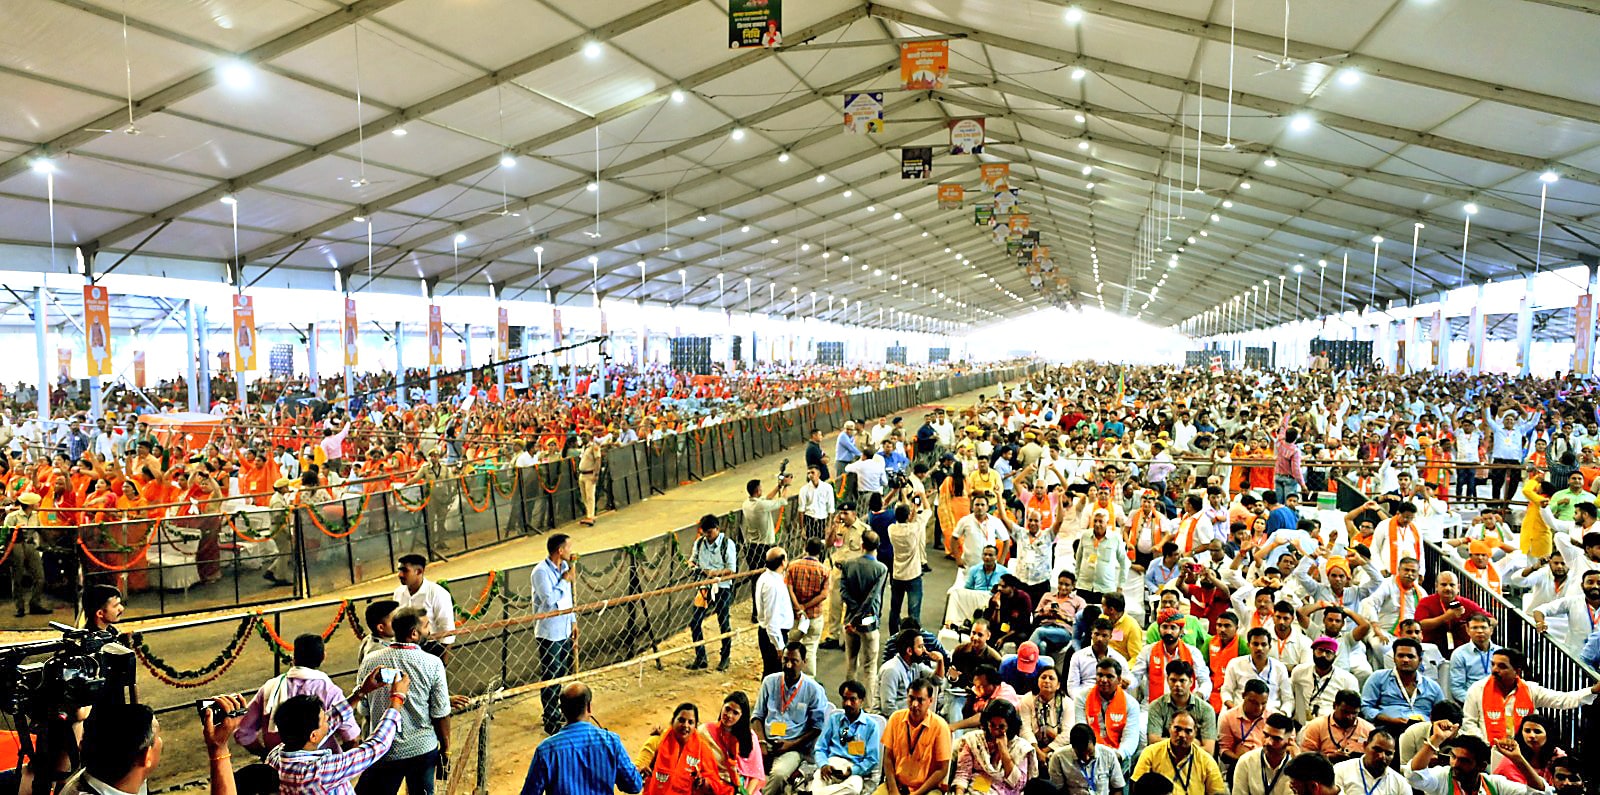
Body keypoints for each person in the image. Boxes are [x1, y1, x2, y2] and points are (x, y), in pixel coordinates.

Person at [354, 607, 452, 795]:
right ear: (414, 634)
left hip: (384, 749)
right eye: (426, 626)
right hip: (423, 749)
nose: (429, 630)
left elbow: (364, 709)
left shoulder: (370, 661)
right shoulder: (432, 663)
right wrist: (446, 750)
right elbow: (441, 714)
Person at [268, 670, 409, 795]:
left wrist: (361, 692)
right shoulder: (319, 773)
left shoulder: (275, 757)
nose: (328, 721)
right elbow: (376, 746)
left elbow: (333, 718)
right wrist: (397, 698)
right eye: (323, 720)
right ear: (313, 736)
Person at [235, 634, 360, 754]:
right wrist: (338, 764)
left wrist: (265, 755)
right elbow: (351, 738)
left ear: (293, 657)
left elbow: (243, 732)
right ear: (323, 657)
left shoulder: (270, 687)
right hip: (322, 769)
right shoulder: (329, 690)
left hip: (279, 769)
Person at [520, 683, 643, 795]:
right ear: (589, 707)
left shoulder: (546, 750)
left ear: (562, 710)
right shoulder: (611, 742)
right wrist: (636, 771)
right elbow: (634, 786)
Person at [1458, 647, 1599, 745]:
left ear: (1516, 671)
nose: (1495, 670)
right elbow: (1469, 722)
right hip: (1487, 752)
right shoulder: (1477, 689)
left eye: (1502, 666)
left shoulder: (1531, 690)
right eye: (1493, 664)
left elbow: (1562, 700)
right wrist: (1486, 745)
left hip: (1524, 752)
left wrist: (1593, 690)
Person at [1405, 724, 1549, 795]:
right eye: (1454, 757)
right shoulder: (1442, 777)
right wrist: (1435, 740)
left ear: (1481, 766)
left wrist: (1518, 759)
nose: (1455, 764)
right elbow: (1414, 776)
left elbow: (1540, 793)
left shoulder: (1495, 784)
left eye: (1465, 761)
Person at [533, 533, 577, 733]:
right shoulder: (540, 572)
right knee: (550, 675)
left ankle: (557, 712)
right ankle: (549, 718)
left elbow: (568, 598)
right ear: (560, 550)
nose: (571, 550)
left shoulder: (565, 567)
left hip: (565, 628)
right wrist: (564, 581)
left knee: (560, 673)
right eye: (568, 547)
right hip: (550, 632)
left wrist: (573, 620)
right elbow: (549, 600)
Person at [842, 530, 890, 710]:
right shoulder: (881, 569)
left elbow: (844, 592)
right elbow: (872, 598)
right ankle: (868, 707)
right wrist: (859, 618)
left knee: (851, 662)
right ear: (878, 547)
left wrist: (852, 618)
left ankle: (848, 701)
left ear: (862, 545)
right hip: (869, 622)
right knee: (870, 668)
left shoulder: (848, 565)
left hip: (849, 621)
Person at [880, 678, 951, 795]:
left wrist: (917, 794)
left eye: (920, 700)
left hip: (927, 789)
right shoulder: (895, 718)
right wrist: (893, 789)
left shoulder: (940, 726)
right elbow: (888, 758)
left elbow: (942, 770)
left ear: (930, 701)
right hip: (897, 785)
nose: (914, 704)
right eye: (911, 698)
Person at [951, 699, 1036, 795]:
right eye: (992, 725)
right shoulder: (973, 740)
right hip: (974, 791)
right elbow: (962, 775)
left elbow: (1018, 785)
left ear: (1010, 726)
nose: (995, 731)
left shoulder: (1021, 748)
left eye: (1001, 727)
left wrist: (1004, 751)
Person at [812, 680, 882, 795]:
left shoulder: (871, 726)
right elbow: (820, 748)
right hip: (831, 765)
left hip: (854, 769)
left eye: (853, 699)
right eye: (845, 699)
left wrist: (852, 771)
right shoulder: (834, 719)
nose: (847, 704)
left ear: (861, 701)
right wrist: (824, 764)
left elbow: (872, 759)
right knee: (818, 780)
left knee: (853, 789)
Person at [1131, 712, 1226, 795]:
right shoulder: (1151, 752)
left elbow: (1218, 793)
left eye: (1188, 731)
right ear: (1169, 728)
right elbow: (1138, 788)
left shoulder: (1207, 760)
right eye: (1177, 729)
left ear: (1195, 733)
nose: (1181, 735)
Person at [689, 513, 738, 672]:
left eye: (710, 532)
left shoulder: (726, 544)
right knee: (695, 621)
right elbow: (693, 559)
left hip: (722, 586)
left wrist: (713, 573)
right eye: (705, 532)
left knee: (723, 621)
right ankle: (701, 656)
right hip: (704, 586)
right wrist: (692, 565)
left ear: (717, 529)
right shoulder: (699, 543)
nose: (707, 536)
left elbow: (731, 569)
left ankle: (725, 657)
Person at [1360, 637, 1442, 730]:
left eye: (1411, 656)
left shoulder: (1433, 686)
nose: (1405, 660)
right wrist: (1390, 720)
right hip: (1388, 729)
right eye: (1401, 656)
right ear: (1394, 658)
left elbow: (1443, 713)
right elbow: (1366, 707)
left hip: (1424, 732)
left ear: (1420, 660)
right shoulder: (1378, 678)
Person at [1074, 658, 1143, 768]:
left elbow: (1131, 738)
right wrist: (1094, 753)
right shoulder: (1082, 698)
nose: (1103, 680)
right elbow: (1081, 730)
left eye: (1110, 676)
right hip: (1089, 752)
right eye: (1100, 675)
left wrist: (1117, 755)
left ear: (1119, 679)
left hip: (1118, 755)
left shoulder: (1131, 703)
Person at [1132, 611, 1212, 705]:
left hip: (1185, 708)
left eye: (1173, 627)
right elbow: (1135, 676)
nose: (1168, 631)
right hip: (1153, 706)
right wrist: (1127, 682)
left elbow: (1205, 681)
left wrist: (1199, 695)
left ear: (1181, 630)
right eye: (1165, 627)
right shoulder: (1148, 651)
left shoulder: (1193, 653)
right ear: (1159, 629)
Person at [634, 703, 713, 795]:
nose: (685, 725)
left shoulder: (702, 750)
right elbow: (638, 766)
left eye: (690, 722)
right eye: (681, 720)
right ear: (672, 721)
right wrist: (639, 770)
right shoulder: (656, 741)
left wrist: (702, 782)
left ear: (695, 727)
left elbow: (712, 782)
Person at [699, 692, 767, 795]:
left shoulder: (750, 737)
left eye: (735, 713)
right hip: (711, 786)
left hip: (742, 787)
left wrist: (746, 793)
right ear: (722, 707)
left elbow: (755, 775)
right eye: (727, 709)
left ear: (742, 716)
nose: (729, 715)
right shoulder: (705, 732)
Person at [1145, 661, 1218, 755]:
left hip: (1196, 761)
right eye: (1173, 680)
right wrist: (1193, 742)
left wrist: (1167, 741)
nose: (1177, 685)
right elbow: (1153, 743)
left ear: (1191, 682)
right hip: (1163, 757)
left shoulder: (1206, 710)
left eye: (1182, 681)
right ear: (1167, 680)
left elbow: (1208, 750)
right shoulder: (1156, 706)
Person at [743, 477, 789, 618]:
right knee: (771, 578)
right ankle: (766, 610)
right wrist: (786, 486)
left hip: (751, 546)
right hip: (764, 547)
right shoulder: (760, 506)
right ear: (757, 491)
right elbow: (782, 501)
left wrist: (778, 486)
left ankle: (756, 612)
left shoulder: (747, 503)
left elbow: (766, 499)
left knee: (756, 579)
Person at [391, 554, 456, 653]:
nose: (399, 574)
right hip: (403, 649)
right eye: (399, 570)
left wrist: (443, 664)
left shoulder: (437, 593)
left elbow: (447, 631)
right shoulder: (398, 593)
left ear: (419, 571)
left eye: (404, 570)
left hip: (430, 647)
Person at [1412, 571, 1491, 651]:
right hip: (1431, 649)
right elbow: (1420, 625)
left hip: (1462, 651)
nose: (1448, 588)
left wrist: (1471, 625)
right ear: (1436, 586)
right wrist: (1446, 617)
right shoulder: (1426, 602)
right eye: (1443, 585)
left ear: (1458, 588)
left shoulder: (1465, 603)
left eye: (1452, 585)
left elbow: (1492, 620)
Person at [1219, 629, 1290, 714]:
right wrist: (1234, 710)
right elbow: (1226, 691)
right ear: (1248, 645)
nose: (1259, 648)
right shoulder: (1235, 664)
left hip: (1270, 717)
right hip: (1240, 714)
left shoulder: (1280, 668)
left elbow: (1288, 699)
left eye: (1264, 644)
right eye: (1255, 644)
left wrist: (1281, 716)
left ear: (1270, 647)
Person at [1288, 637, 1357, 725]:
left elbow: (1351, 710)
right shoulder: (1299, 672)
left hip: (1331, 725)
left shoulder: (1347, 679)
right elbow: (1290, 697)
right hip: (1301, 722)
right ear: (1313, 652)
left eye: (1328, 652)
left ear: (1335, 657)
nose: (1323, 655)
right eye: (1320, 650)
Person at [786, 538, 830, 672]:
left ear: (805, 547)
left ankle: (790, 673)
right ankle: (809, 677)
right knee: (810, 648)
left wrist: (798, 606)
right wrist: (806, 606)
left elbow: (789, 588)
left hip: (795, 616)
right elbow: (823, 595)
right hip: (814, 616)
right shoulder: (824, 570)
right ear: (820, 551)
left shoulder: (792, 566)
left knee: (791, 646)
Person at [5, 491, 50, 616]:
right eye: (36, 502)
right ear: (30, 504)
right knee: (17, 577)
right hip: (16, 546)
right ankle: (19, 607)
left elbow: (40, 530)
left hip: (30, 545)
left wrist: (46, 544)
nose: (38, 504)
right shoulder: (12, 517)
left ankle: (35, 603)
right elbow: (6, 533)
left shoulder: (36, 515)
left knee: (40, 577)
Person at [1228, 714, 1297, 795]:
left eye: (1276, 739)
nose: (1268, 742)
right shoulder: (1246, 761)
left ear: (1289, 741)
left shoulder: (1297, 767)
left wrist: (1299, 762)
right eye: (1266, 735)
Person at [1217, 680, 1277, 771]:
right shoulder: (1228, 717)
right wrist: (1244, 762)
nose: (1259, 708)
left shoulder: (1274, 717)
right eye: (1254, 703)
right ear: (1243, 695)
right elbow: (1224, 751)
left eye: (1263, 703)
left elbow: (1288, 745)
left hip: (1268, 764)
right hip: (1239, 765)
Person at [1491, 714, 1566, 787]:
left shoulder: (1558, 756)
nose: (1532, 736)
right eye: (1527, 731)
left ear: (1548, 734)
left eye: (1537, 732)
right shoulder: (1512, 757)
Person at [879, 629, 942, 714]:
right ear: (909, 651)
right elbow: (887, 707)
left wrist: (940, 661)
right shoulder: (891, 670)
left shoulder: (915, 665)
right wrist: (908, 722)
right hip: (889, 720)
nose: (924, 650)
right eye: (920, 647)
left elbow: (937, 680)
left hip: (908, 715)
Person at [1296, 690, 1370, 762]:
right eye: (1345, 712)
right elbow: (1305, 757)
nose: (1349, 717)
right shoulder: (1316, 726)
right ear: (1334, 706)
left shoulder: (1368, 730)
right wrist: (1328, 757)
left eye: (1354, 713)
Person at [1019, 667, 1073, 766]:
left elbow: (1067, 734)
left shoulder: (1067, 703)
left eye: (1051, 678)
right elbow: (1024, 729)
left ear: (1058, 685)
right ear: (1038, 681)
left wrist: (1046, 751)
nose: (1047, 680)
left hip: (1057, 747)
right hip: (1032, 745)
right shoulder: (1027, 699)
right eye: (1043, 677)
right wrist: (1037, 751)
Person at [1329, 728, 1407, 795]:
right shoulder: (1340, 770)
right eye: (1377, 750)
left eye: (1388, 753)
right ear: (1365, 746)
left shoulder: (1400, 783)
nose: (1382, 756)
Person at [1055, 723, 1127, 795]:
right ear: (1073, 747)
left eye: (1090, 752)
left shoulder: (1109, 755)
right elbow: (1057, 790)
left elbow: (1118, 788)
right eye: (1081, 754)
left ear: (1094, 743)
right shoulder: (1059, 758)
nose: (1087, 757)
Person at [755, 547, 794, 676]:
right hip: (773, 636)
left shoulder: (767, 577)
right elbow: (771, 619)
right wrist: (779, 646)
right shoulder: (773, 585)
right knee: (774, 675)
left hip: (770, 634)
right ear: (783, 562)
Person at [1446, 614, 1500, 701]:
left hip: (1499, 699)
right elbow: (1457, 688)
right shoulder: (1459, 654)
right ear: (1467, 630)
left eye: (1483, 627)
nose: (1479, 631)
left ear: (1491, 630)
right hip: (1473, 701)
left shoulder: (1501, 652)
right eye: (1474, 628)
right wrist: (1475, 703)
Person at [264, 477, 296, 587]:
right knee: (285, 553)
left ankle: (271, 570)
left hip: (279, 527)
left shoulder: (279, 498)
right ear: (281, 488)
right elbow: (278, 517)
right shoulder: (277, 500)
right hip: (279, 528)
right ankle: (280, 577)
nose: (287, 489)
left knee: (284, 552)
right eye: (286, 487)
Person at [576, 430, 603, 526]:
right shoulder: (583, 448)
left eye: (585, 436)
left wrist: (596, 474)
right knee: (584, 496)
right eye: (582, 436)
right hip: (582, 474)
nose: (583, 438)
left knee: (590, 496)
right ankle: (589, 514)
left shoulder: (594, 447)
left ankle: (591, 516)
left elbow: (598, 460)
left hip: (590, 474)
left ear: (590, 437)